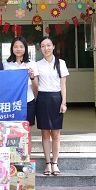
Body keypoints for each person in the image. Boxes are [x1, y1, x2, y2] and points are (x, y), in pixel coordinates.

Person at [35, 36, 68, 177]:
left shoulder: (61, 63)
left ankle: (55, 162)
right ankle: (47, 163)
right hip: (42, 99)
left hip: (56, 98)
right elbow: (35, 85)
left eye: (48, 45)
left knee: (55, 134)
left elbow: (63, 85)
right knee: (44, 133)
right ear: (40, 48)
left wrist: (63, 102)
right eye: (43, 46)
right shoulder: (37, 64)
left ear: (53, 46)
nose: (46, 48)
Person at [3, 36, 39, 126]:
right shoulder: (7, 65)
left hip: (28, 100)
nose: (18, 49)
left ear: (25, 48)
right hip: (12, 101)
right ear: (12, 49)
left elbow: (37, 86)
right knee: (13, 128)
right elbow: (5, 84)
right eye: (15, 47)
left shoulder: (32, 64)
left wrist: (32, 77)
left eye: (21, 47)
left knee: (27, 128)